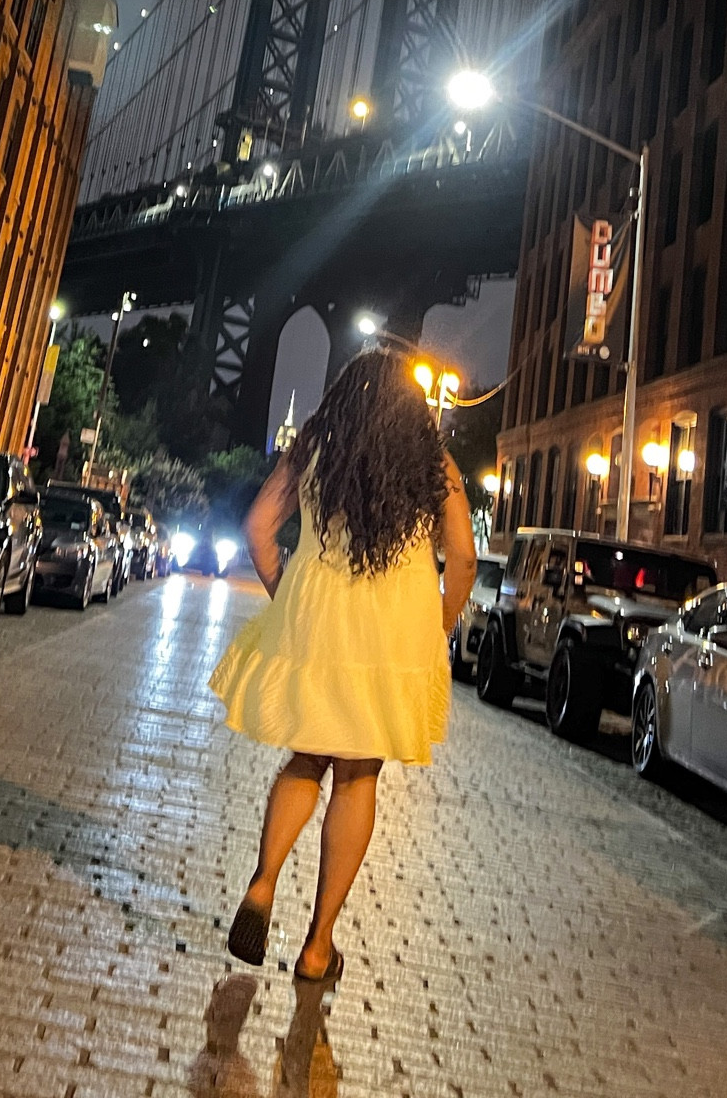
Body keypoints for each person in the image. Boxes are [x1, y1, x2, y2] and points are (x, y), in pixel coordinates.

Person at [209, 346, 477, 985]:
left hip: (319, 624)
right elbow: (464, 561)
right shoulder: (434, 465)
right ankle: (318, 947)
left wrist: (288, 596)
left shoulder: (312, 452)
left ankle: (264, 882)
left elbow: (258, 530)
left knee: (306, 759)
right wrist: (436, 624)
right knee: (358, 777)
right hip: (393, 639)